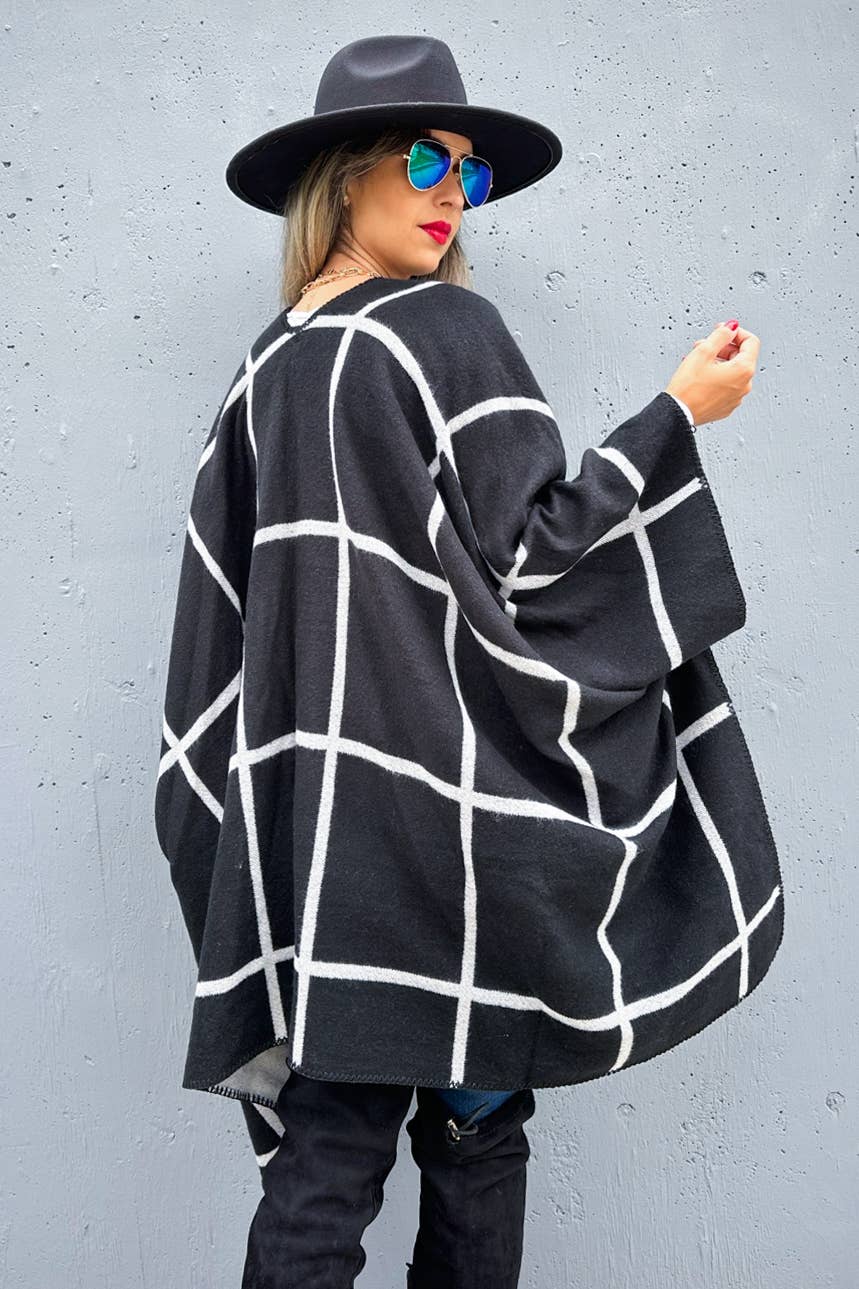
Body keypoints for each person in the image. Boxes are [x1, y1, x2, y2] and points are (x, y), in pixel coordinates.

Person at [155, 34, 781, 1289]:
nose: (455, 193)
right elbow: (541, 564)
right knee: (478, 1138)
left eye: (471, 173)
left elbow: (225, 645)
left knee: (324, 1165)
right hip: (460, 845)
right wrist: (677, 417)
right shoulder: (445, 329)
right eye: (427, 161)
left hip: (329, 849)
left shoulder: (264, 372)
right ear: (344, 175)